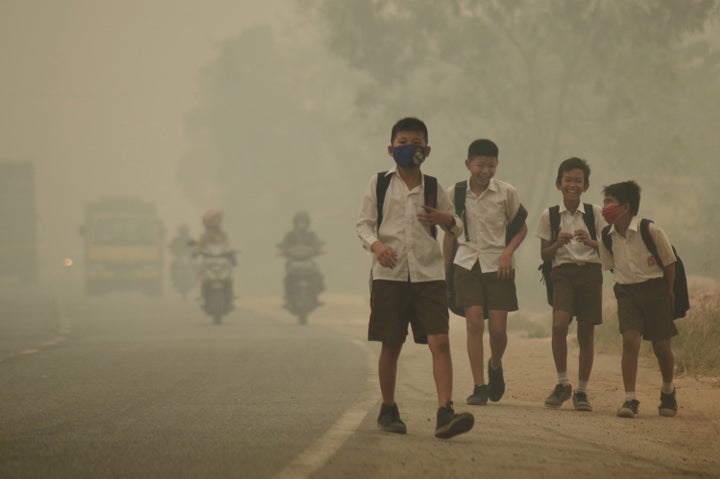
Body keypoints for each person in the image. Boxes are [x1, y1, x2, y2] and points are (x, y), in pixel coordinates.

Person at [356, 117, 474, 439]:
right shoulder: (379, 183)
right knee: (391, 344)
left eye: (416, 143)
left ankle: (444, 412)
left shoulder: (435, 187)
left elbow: (457, 226)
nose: (410, 148)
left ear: (427, 150)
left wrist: (445, 218)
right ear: (391, 148)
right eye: (404, 142)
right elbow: (363, 224)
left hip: (429, 274)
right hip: (389, 276)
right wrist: (376, 244)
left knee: (440, 341)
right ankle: (389, 408)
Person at [443, 139, 527, 406]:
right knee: (474, 322)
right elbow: (449, 235)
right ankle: (479, 385)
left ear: (497, 165)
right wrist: (446, 272)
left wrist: (507, 253)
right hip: (466, 263)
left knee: (499, 331)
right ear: (468, 164)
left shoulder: (506, 192)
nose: (485, 171)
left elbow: (521, 228)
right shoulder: (454, 194)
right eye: (480, 165)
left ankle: (495, 364)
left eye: (490, 165)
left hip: (498, 265)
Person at [599, 181, 678, 418]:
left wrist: (669, 291)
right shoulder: (606, 236)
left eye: (609, 202)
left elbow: (669, 262)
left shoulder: (650, 230)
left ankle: (667, 390)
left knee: (662, 346)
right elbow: (611, 267)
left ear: (626, 206)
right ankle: (630, 398)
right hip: (627, 292)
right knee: (630, 341)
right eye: (604, 202)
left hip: (656, 290)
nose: (605, 207)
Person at [536, 157, 606, 411]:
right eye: (568, 180)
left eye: (578, 181)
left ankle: (582, 391)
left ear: (586, 185)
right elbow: (544, 254)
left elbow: (610, 249)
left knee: (586, 331)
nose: (573, 185)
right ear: (558, 184)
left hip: (590, 273)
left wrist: (591, 242)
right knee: (559, 324)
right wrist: (557, 244)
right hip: (562, 273)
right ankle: (563, 382)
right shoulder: (550, 215)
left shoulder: (596, 213)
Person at [277, 211, 325, 304]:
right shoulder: (289, 235)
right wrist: (283, 251)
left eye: (304, 222)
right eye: (299, 222)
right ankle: (287, 295)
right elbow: (284, 245)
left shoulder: (311, 235)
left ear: (308, 223)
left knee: (318, 273)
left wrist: (318, 249)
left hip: (308, 260)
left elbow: (317, 244)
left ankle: (315, 295)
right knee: (287, 277)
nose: (301, 224)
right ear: (295, 223)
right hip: (293, 261)